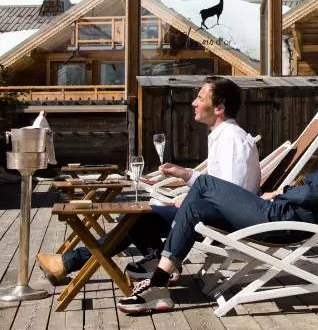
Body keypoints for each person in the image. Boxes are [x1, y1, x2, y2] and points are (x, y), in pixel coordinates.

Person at [117, 119, 318, 313]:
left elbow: (311, 194)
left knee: (204, 184)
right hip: (278, 213)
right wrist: (284, 192)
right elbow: (311, 191)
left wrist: (280, 193)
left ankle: (159, 277)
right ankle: (161, 281)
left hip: (281, 221)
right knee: (195, 207)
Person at [37, 76, 260, 284]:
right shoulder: (222, 136)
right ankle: (149, 259)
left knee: (134, 217)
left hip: (220, 224)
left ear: (219, 108)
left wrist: (191, 202)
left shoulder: (232, 139)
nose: (194, 103)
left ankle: (72, 262)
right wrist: (186, 174)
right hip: (208, 216)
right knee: (134, 215)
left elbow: (233, 195)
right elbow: (219, 186)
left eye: (201, 99)